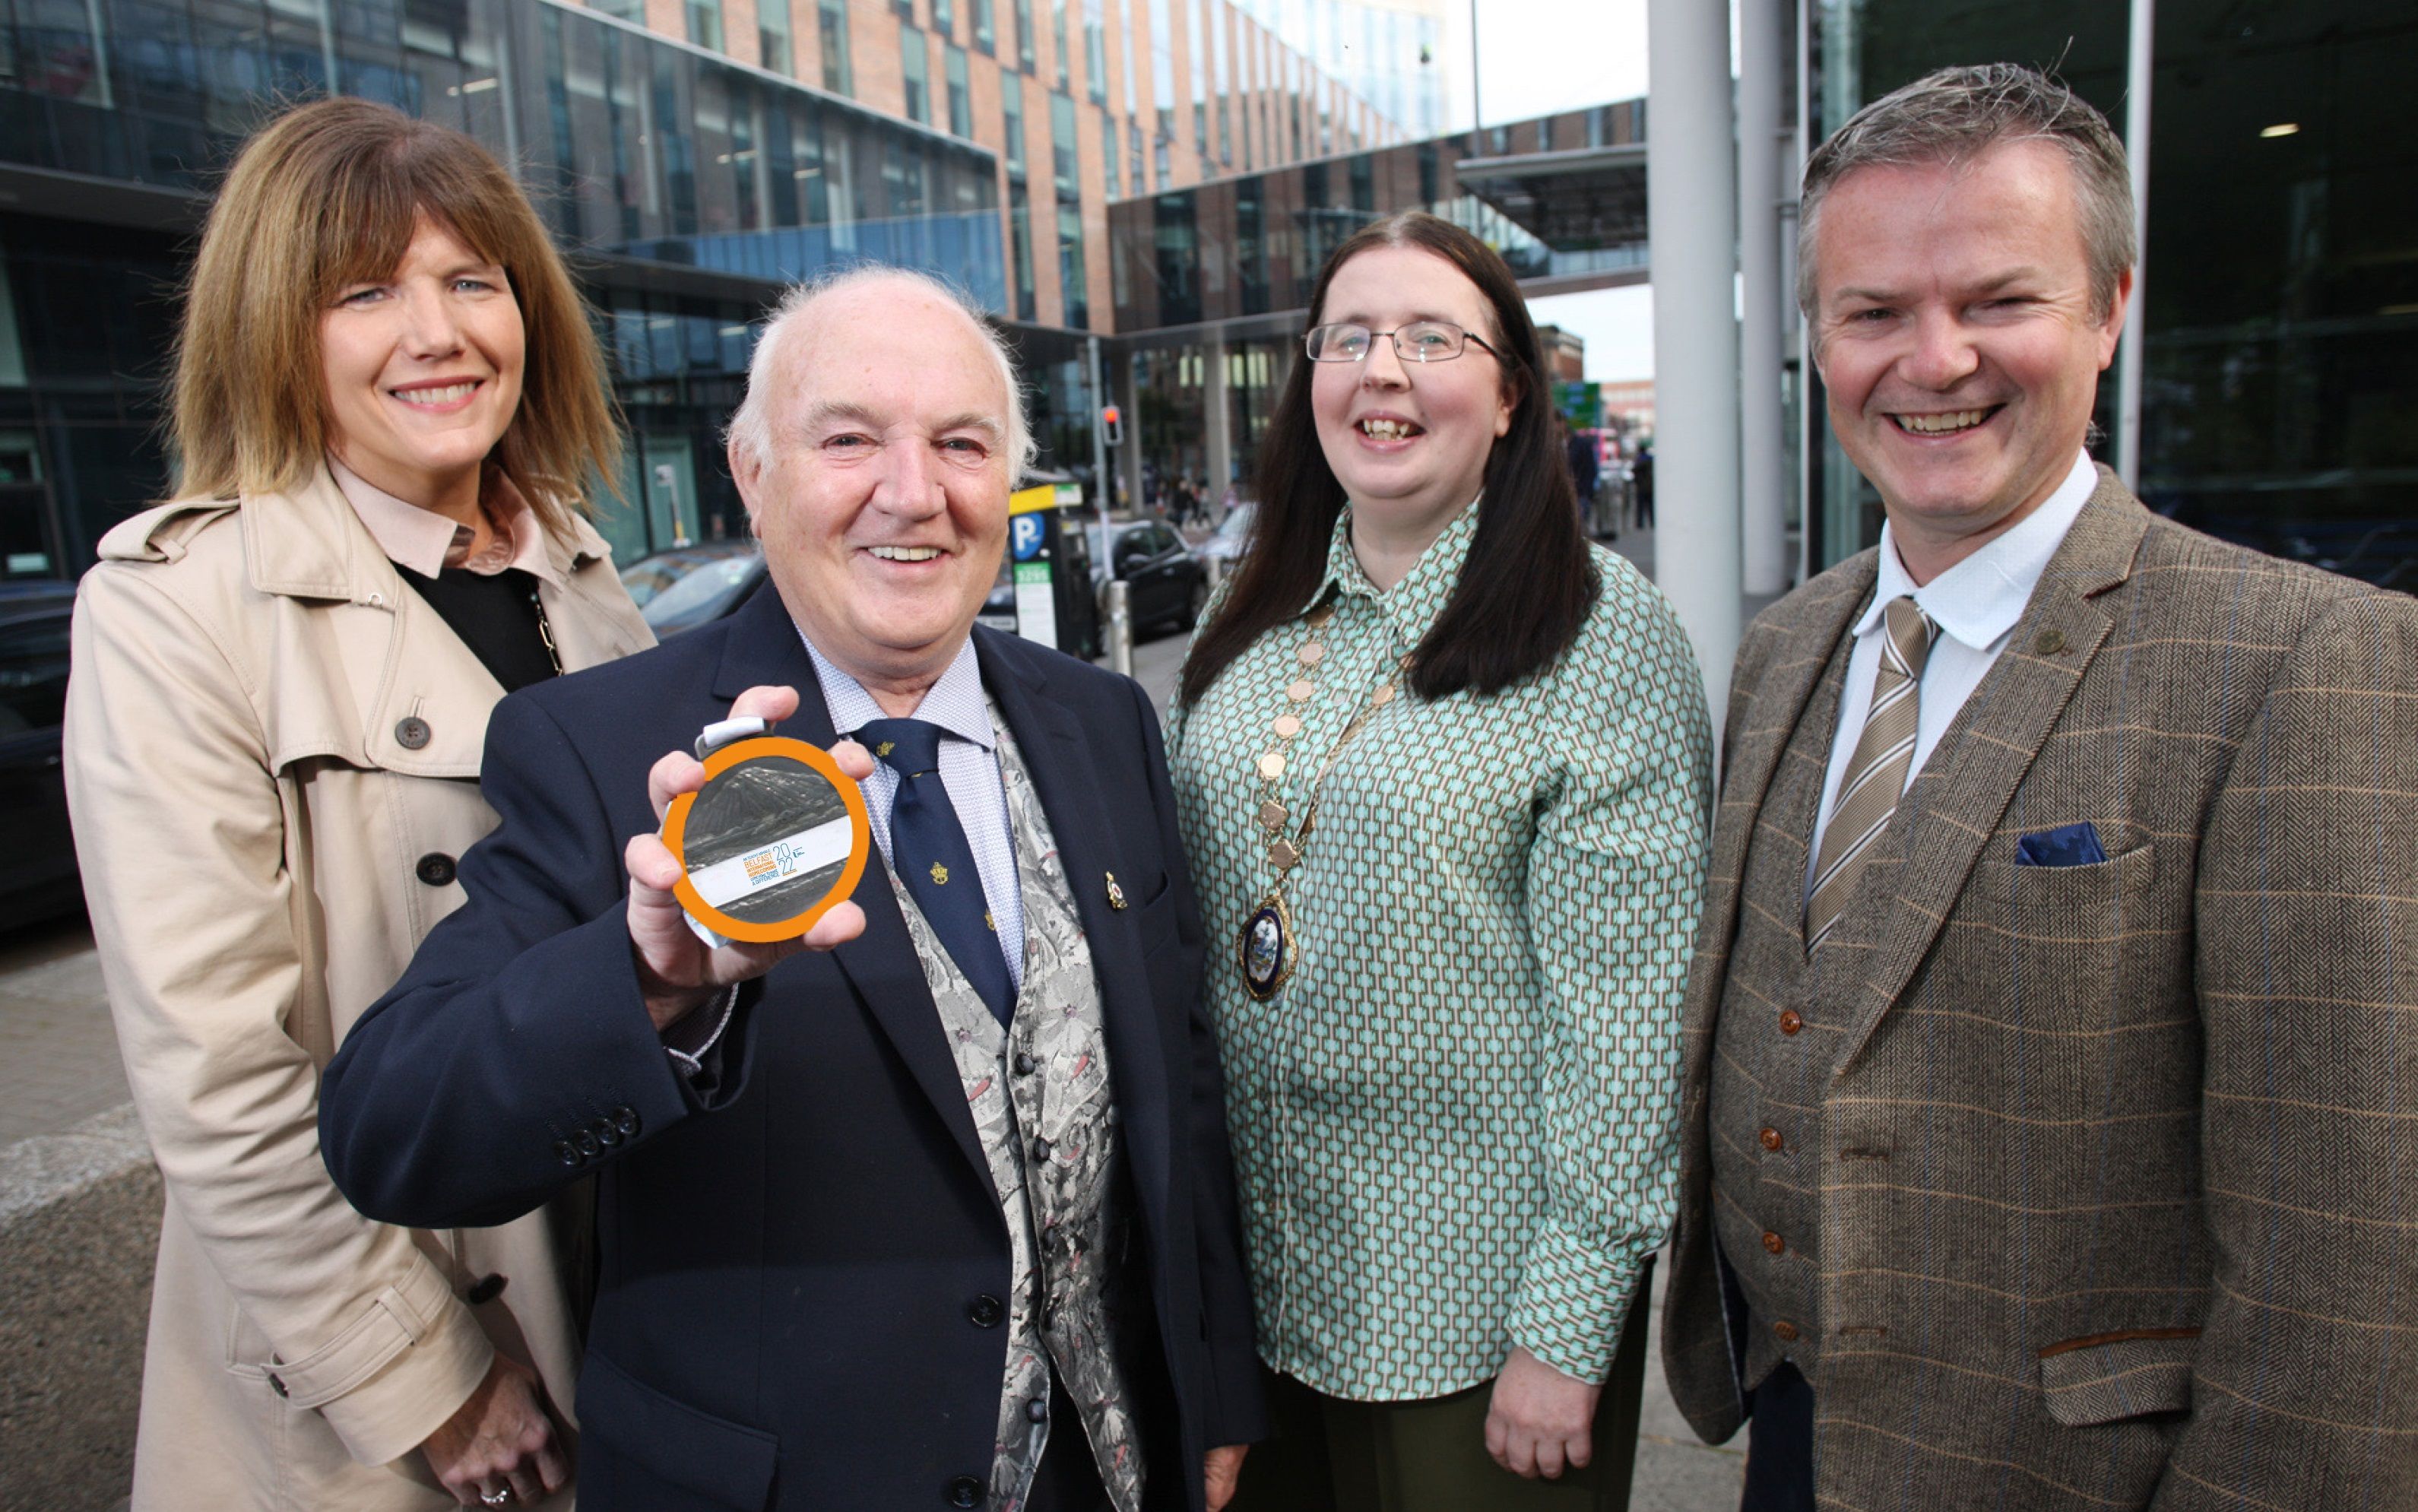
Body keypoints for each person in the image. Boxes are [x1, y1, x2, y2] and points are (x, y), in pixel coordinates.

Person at [317, 265, 1264, 1512]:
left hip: (1107, 1467)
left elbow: (1177, 1075)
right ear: (752, 474)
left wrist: (1208, 1382)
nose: (913, 491)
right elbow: (393, 1131)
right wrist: (646, 982)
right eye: (849, 439)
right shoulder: (603, 750)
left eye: (961, 443)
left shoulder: (1103, 721)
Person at [1659, 64, 2418, 1512]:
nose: (1931, 361)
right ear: (1816, 338)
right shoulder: (1785, 646)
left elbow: (2341, 1263)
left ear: (2109, 311)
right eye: (1872, 312)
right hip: (1792, 1425)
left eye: (1997, 300)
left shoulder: (2312, 664)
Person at [62, 99, 652, 1510]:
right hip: (382, 1374)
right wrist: (425, 1375)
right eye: (365, 291)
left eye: (471, 279)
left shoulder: (575, 565)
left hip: (620, 1295)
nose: (437, 332)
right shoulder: (179, 606)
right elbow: (216, 1075)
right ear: (278, 330)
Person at [1166, 210, 1713, 1510]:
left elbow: (1628, 1025)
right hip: (1257, 1293)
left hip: (1476, 1324)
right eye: (1347, 337)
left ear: (1510, 393)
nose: (1383, 370)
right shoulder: (1242, 613)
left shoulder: (1600, 632)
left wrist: (1568, 1325)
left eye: (1430, 337)